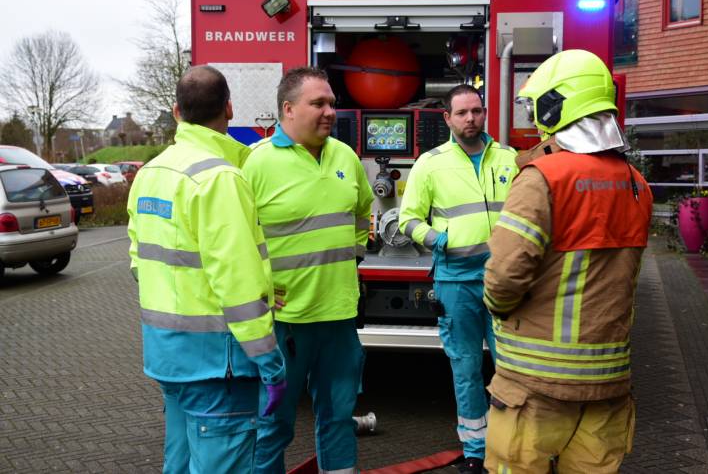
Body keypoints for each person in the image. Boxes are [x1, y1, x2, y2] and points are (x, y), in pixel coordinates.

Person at [482, 49, 653, 473]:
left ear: (556, 105)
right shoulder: (637, 185)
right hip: (608, 384)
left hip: (534, 387)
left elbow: (504, 278)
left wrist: (499, 310)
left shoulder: (543, 179)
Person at [127, 65, 286, 473]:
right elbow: (236, 281)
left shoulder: (151, 174)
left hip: (168, 358)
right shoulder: (220, 178)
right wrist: (268, 359)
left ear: (176, 111)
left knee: (179, 462)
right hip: (219, 365)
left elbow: (139, 261)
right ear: (230, 109)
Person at [243, 67, 373, 474]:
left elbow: (361, 213)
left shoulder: (346, 157)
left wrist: (351, 257)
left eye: (332, 103)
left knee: (338, 418)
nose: (330, 112)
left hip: (338, 317)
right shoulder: (256, 164)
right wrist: (258, 288)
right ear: (288, 109)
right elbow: (237, 241)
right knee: (273, 425)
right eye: (318, 103)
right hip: (285, 322)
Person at [398, 84, 518, 473]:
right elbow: (408, 219)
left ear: (485, 114)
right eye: (462, 113)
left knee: (512, 368)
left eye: (477, 111)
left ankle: (511, 447)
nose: (471, 119)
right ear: (447, 118)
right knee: (465, 368)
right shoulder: (430, 163)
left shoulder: (509, 158)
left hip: (504, 279)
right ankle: (474, 452)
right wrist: (438, 239)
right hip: (456, 282)